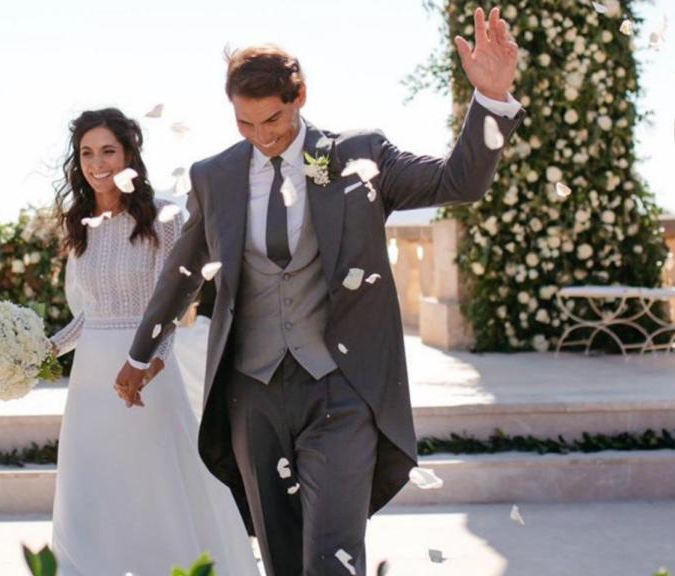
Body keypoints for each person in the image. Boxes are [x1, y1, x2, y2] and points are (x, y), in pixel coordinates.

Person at [116, 7, 524, 575]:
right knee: (282, 559)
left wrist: (491, 99)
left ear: (300, 94)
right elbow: (184, 270)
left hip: (340, 389)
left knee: (332, 554)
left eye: (274, 120)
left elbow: (458, 180)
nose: (263, 137)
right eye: (246, 124)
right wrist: (141, 352)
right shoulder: (215, 176)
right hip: (250, 395)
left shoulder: (360, 154)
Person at [47, 108, 258, 575]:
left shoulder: (163, 217)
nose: (97, 162)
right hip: (89, 382)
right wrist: (45, 352)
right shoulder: (79, 223)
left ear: (129, 155)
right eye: (86, 152)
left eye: (108, 150)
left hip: (145, 370)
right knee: (91, 488)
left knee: (156, 486)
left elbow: (174, 300)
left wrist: (150, 362)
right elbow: (94, 313)